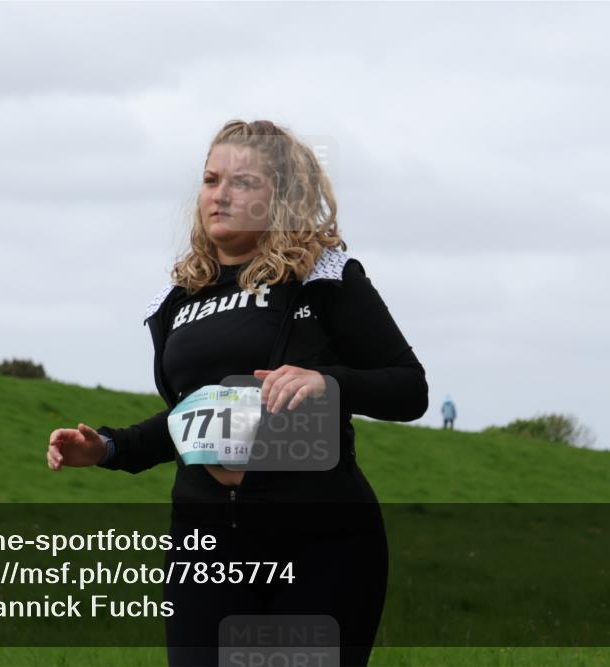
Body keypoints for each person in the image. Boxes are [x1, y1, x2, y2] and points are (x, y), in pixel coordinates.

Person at [46, 119, 429, 666]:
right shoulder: (176, 299)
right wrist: (107, 448)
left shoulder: (324, 276)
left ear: (282, 197)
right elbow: (186, 416)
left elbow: (409, 389)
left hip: (321, 543)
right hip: (205, 545)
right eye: (210, 179)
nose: (220, 194)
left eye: (243, 183)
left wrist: (329, 383)